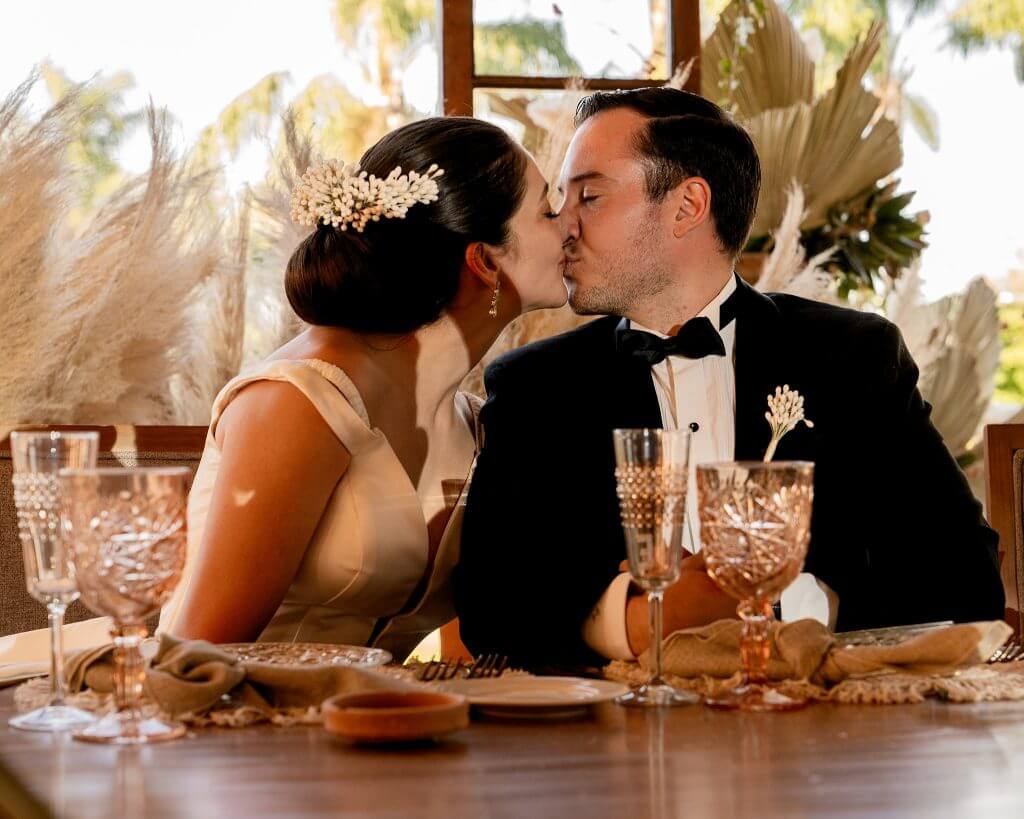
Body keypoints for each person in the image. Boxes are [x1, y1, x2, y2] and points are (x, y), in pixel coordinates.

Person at [454, 87, 1004, 670]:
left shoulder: (853, 357)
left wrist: (770, 599)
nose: (563, 225)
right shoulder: (537, 387)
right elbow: (492, 609)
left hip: (827, 746)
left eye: (588, 196)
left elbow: (964, 579)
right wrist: (646, 620)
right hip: (620, 745)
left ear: (688, 205)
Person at [160, 117, 567, 661]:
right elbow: (195, 655)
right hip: (222, 728)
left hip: (371, 729)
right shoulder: (300, 400)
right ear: (486, 261)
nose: (570, 229)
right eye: (547, 211)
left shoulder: (476, 424)